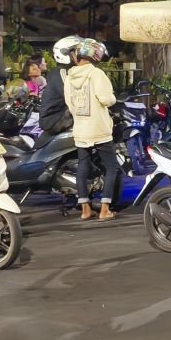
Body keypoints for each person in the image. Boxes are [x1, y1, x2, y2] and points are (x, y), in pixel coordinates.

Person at [64, 39, 119, 221]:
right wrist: (111, 98)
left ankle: (85, 210)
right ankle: (104, 209)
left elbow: (70, 105)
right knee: (111, 167)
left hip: (81, 128)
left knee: (83, 167)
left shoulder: (69, 77)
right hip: (99, 128)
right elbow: (107, 99)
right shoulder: (96, 74)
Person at [38, 35, 80, 139]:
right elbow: (72, 96)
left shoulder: (69, 71)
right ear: (65, 54)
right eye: (75, 52)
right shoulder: (61, 72)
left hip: (60, 116)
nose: (79, 55)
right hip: (54, 120)